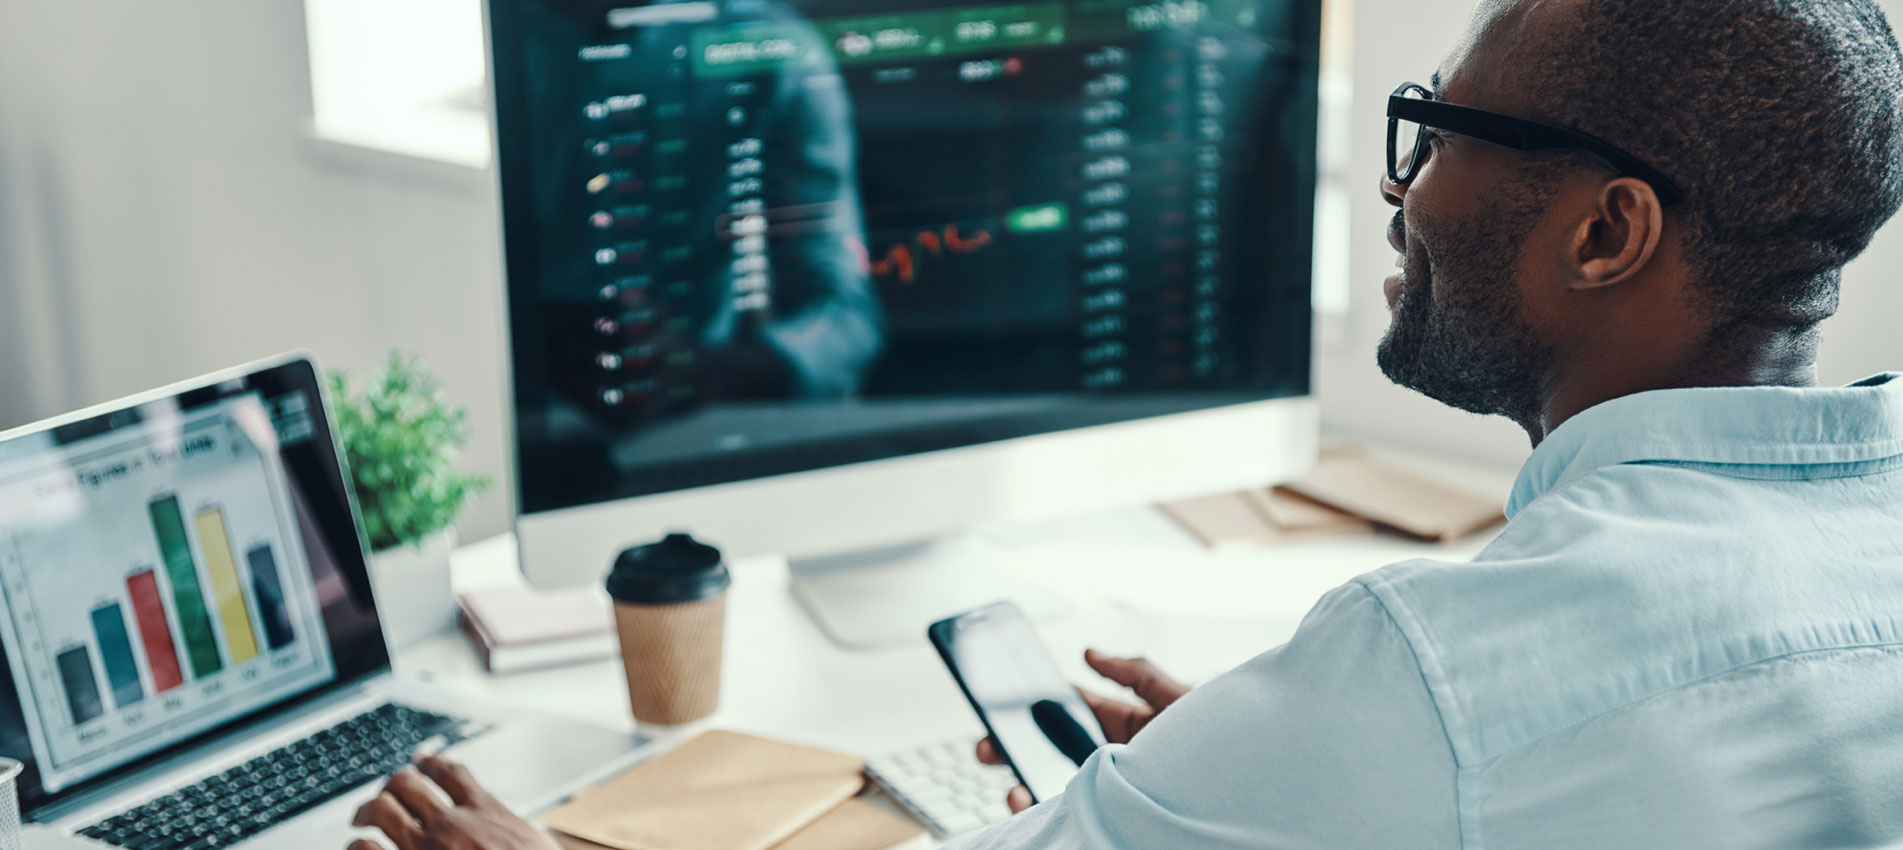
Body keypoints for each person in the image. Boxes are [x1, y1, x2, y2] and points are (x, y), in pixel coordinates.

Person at [346, 0, 1903, 846]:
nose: (1403, 188)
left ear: (1609, 233)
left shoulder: (1427, 676)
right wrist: (1281, 770)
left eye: (1433, 132)